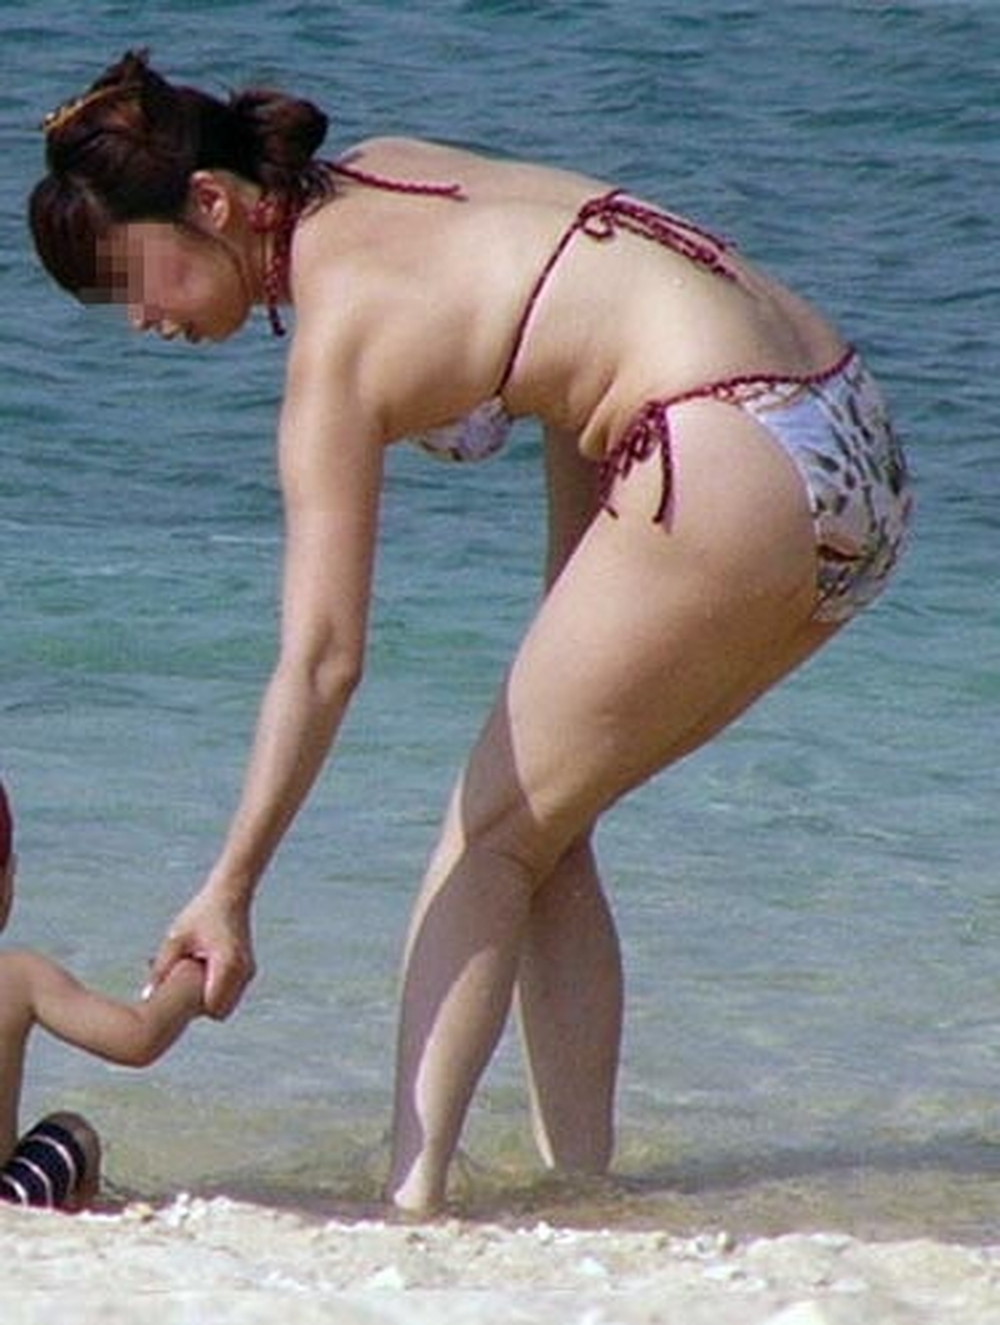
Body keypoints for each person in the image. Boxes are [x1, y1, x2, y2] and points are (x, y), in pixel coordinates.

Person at [29, 50, 913, 1215]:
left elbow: (323, 659)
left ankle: (409, 1203)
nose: (144, 321)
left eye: (136, 282)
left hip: (719, 452)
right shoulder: (394, 170)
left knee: (484, 837)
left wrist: (229, 885)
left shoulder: (339, 345)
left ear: (212, 204)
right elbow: (584, 335)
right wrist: (574, 602)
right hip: (844, 434)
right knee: (543, 818)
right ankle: (583, 1185)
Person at [0, 779, 205, 1211]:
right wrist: (189, 979)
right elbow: (137, 1038)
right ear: (7, 880)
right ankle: (78, 1214)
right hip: (7, 1202)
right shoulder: (17, 975)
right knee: (73, 1132)